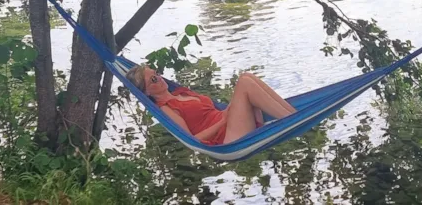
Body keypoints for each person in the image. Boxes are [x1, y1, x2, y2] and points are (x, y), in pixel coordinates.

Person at [124, 65, 296, 145]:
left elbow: (213, 112)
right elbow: (193, 140)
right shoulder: (166, 109)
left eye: (157, 72)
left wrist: (228, 113)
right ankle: (293, 119)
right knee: (244, 83)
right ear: (146, 92)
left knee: (246, 77)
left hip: (233, 123)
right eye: (154, 79)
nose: (160, 77)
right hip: (228, 139)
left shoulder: (180, 93)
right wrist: (224, 120)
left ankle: (294, 116)